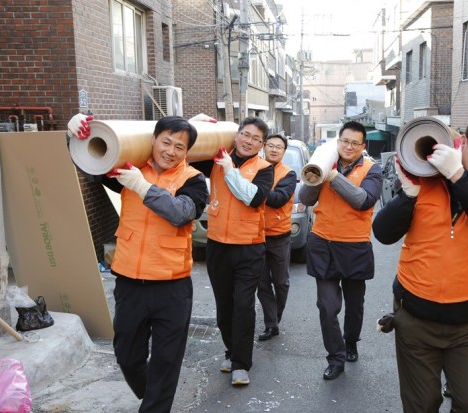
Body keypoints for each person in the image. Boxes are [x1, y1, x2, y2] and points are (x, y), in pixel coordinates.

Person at [373, 116, 468, 412]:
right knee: (421, 404)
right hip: (415, 319)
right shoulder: (424, 180)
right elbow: (383, 233)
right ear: (463, 144)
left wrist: (457, 175)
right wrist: (408, 194)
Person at [67, 114, 209, 413]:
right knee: (127, 355)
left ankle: (156, 405)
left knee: (166, 361)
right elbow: (91, 158)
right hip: (130, 283)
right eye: (166, 142)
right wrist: (76, 134)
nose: (170, 151)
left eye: (179, 147)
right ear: (153, 140)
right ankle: (154, 398)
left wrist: (143, 187)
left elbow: (181, 213)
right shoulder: (128, 169)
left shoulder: (193, 180)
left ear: (187, 152)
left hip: (172, 288)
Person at [299, 121, 382, 380]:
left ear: (362, 146)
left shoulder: (373, 170)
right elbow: (306, 198)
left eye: (354, 143)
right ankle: (335, 358)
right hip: (323, 244)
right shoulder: (326, 163)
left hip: (355, 247)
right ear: (338, 142)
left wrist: (334, 177)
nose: (348, 146)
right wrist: (319, 173)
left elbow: (363, 200)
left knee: (355, 305)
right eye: (344, 141)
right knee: (327, 306)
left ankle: (351, 341)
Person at [206, 116, 274, 386]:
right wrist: (200, 121)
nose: (249, 141)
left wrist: (229, 171)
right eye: (245, 134)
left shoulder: (264, 168)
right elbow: (185, 146)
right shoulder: (214, 159)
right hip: (217, 245)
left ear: (262, 144)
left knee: (244, 305)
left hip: (249, 247)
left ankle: (241, 364)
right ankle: (231, 351)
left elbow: (254, 197)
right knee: (224, 306)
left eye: (256, 138)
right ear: (236, 136)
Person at [257, 134, 297, 341]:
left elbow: (278, 199)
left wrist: (254, 190)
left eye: (278, 147)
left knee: (281, 282)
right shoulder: (254, 168)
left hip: (280, 236)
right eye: (270, 146)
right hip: (256, 235)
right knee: (262, 283)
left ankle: (276, 315)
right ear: (263, 147)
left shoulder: (289, 174)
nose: (274, 150)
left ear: (283, 151)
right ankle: (270, 324)